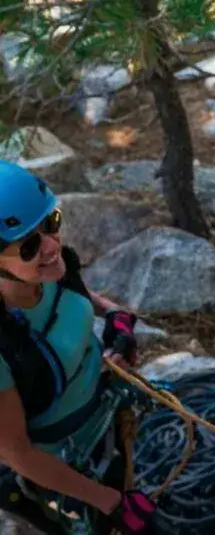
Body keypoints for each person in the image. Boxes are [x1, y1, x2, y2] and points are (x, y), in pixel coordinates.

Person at [0, 161, 158, 534]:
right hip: (61, 464)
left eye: (51, 222)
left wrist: (116, 316)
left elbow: (74, 293)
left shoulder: (47, 270)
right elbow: (18, 454)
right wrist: (109, 502)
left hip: (102, 416)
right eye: (29, 245)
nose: (52, 246)